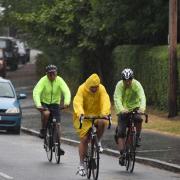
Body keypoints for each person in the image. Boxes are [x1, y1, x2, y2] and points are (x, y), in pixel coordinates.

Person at [73, 73, 111, 176]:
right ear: (88, 85)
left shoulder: (101, 89)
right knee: (84, 139)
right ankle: (81, 165)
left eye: (96, 87)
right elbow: (78, 102)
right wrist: (80, 113)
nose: (94, 89)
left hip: (97, 115)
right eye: (92, 87)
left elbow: (105, 100)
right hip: (84, 117)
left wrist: (104, 113)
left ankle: (98, 141)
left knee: (103, 121)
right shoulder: (81, 89)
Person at [33, 64, 71, 154]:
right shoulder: (43, 80)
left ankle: (58, 147)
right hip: (44, 102)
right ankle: (43, 129)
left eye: (54, 73)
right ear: (46, 74)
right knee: (46, 113)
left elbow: (66, 91)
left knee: (57, 125)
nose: (52, 76)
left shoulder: (59, 80)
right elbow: (36, 92)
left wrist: (66, 102)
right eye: (50, 74)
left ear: (56, 73)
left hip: (55, 104)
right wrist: (38, 104)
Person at [113, 68, 146, 165]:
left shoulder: (137, 84)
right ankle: (122, 153)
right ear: (122, 80)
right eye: (125, 80)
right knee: (120, 132)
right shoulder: (119, 85)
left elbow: (142, 96)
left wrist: (142, 108)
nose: (127, 82)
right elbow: (117, 98)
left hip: (135, 108)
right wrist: (122, 109)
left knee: (139, 119)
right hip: (123, 110)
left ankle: (138, 136)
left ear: (132, 79)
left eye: (129, 80)